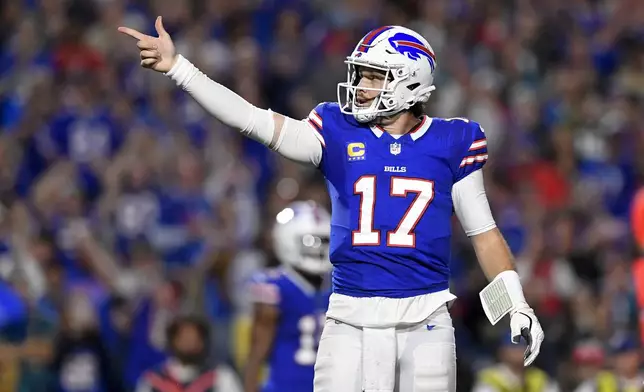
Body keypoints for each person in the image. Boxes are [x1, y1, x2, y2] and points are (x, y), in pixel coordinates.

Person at [119, 18, 545, 392]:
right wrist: (179, 68)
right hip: (349, 316)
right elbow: (252, 119)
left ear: (409, 81)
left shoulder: (454, 140)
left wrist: (516, 303)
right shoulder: (337, 129)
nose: (360, 87)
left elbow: (483, 232)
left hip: (426, 319)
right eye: (360, 75)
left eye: (374, 76)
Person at [243, 201, 332, 392]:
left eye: (323, 241)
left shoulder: (338, 284)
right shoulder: (274, 286)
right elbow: (257, 351)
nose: (317, 247)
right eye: (310, 241)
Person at [135, 314, 242, 392]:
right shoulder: (152, 382)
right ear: (173, 341)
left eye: (195, 339)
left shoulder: (221, 378)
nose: (190, 344)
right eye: (184, 339)